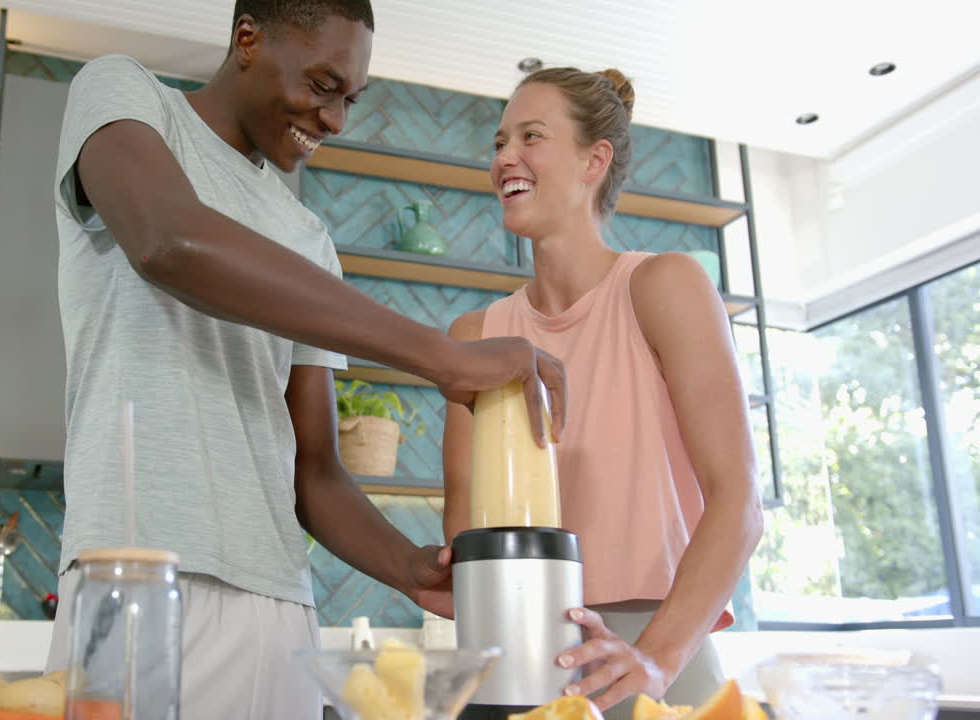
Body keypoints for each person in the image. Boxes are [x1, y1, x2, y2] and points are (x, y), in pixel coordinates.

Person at [47, 1, 569, 717]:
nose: (335, 121)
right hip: (131, 579)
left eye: (350, 99)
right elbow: (165, 239)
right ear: (248, 38)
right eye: (323, 85)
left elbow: (314, 469)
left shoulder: (306, 237)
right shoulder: (124, 94)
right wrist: (442, 357)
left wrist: (407, 567)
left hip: (280, 606)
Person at [441, 67, 764, 719]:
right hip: (516, 654)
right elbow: (464, 531)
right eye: (499, 143)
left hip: (655, 649)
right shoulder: (474, 335)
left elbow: (738, 501)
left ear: (596, 159)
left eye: (531, 136)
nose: (506, 157)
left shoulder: (664, 286)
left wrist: (658, 659)